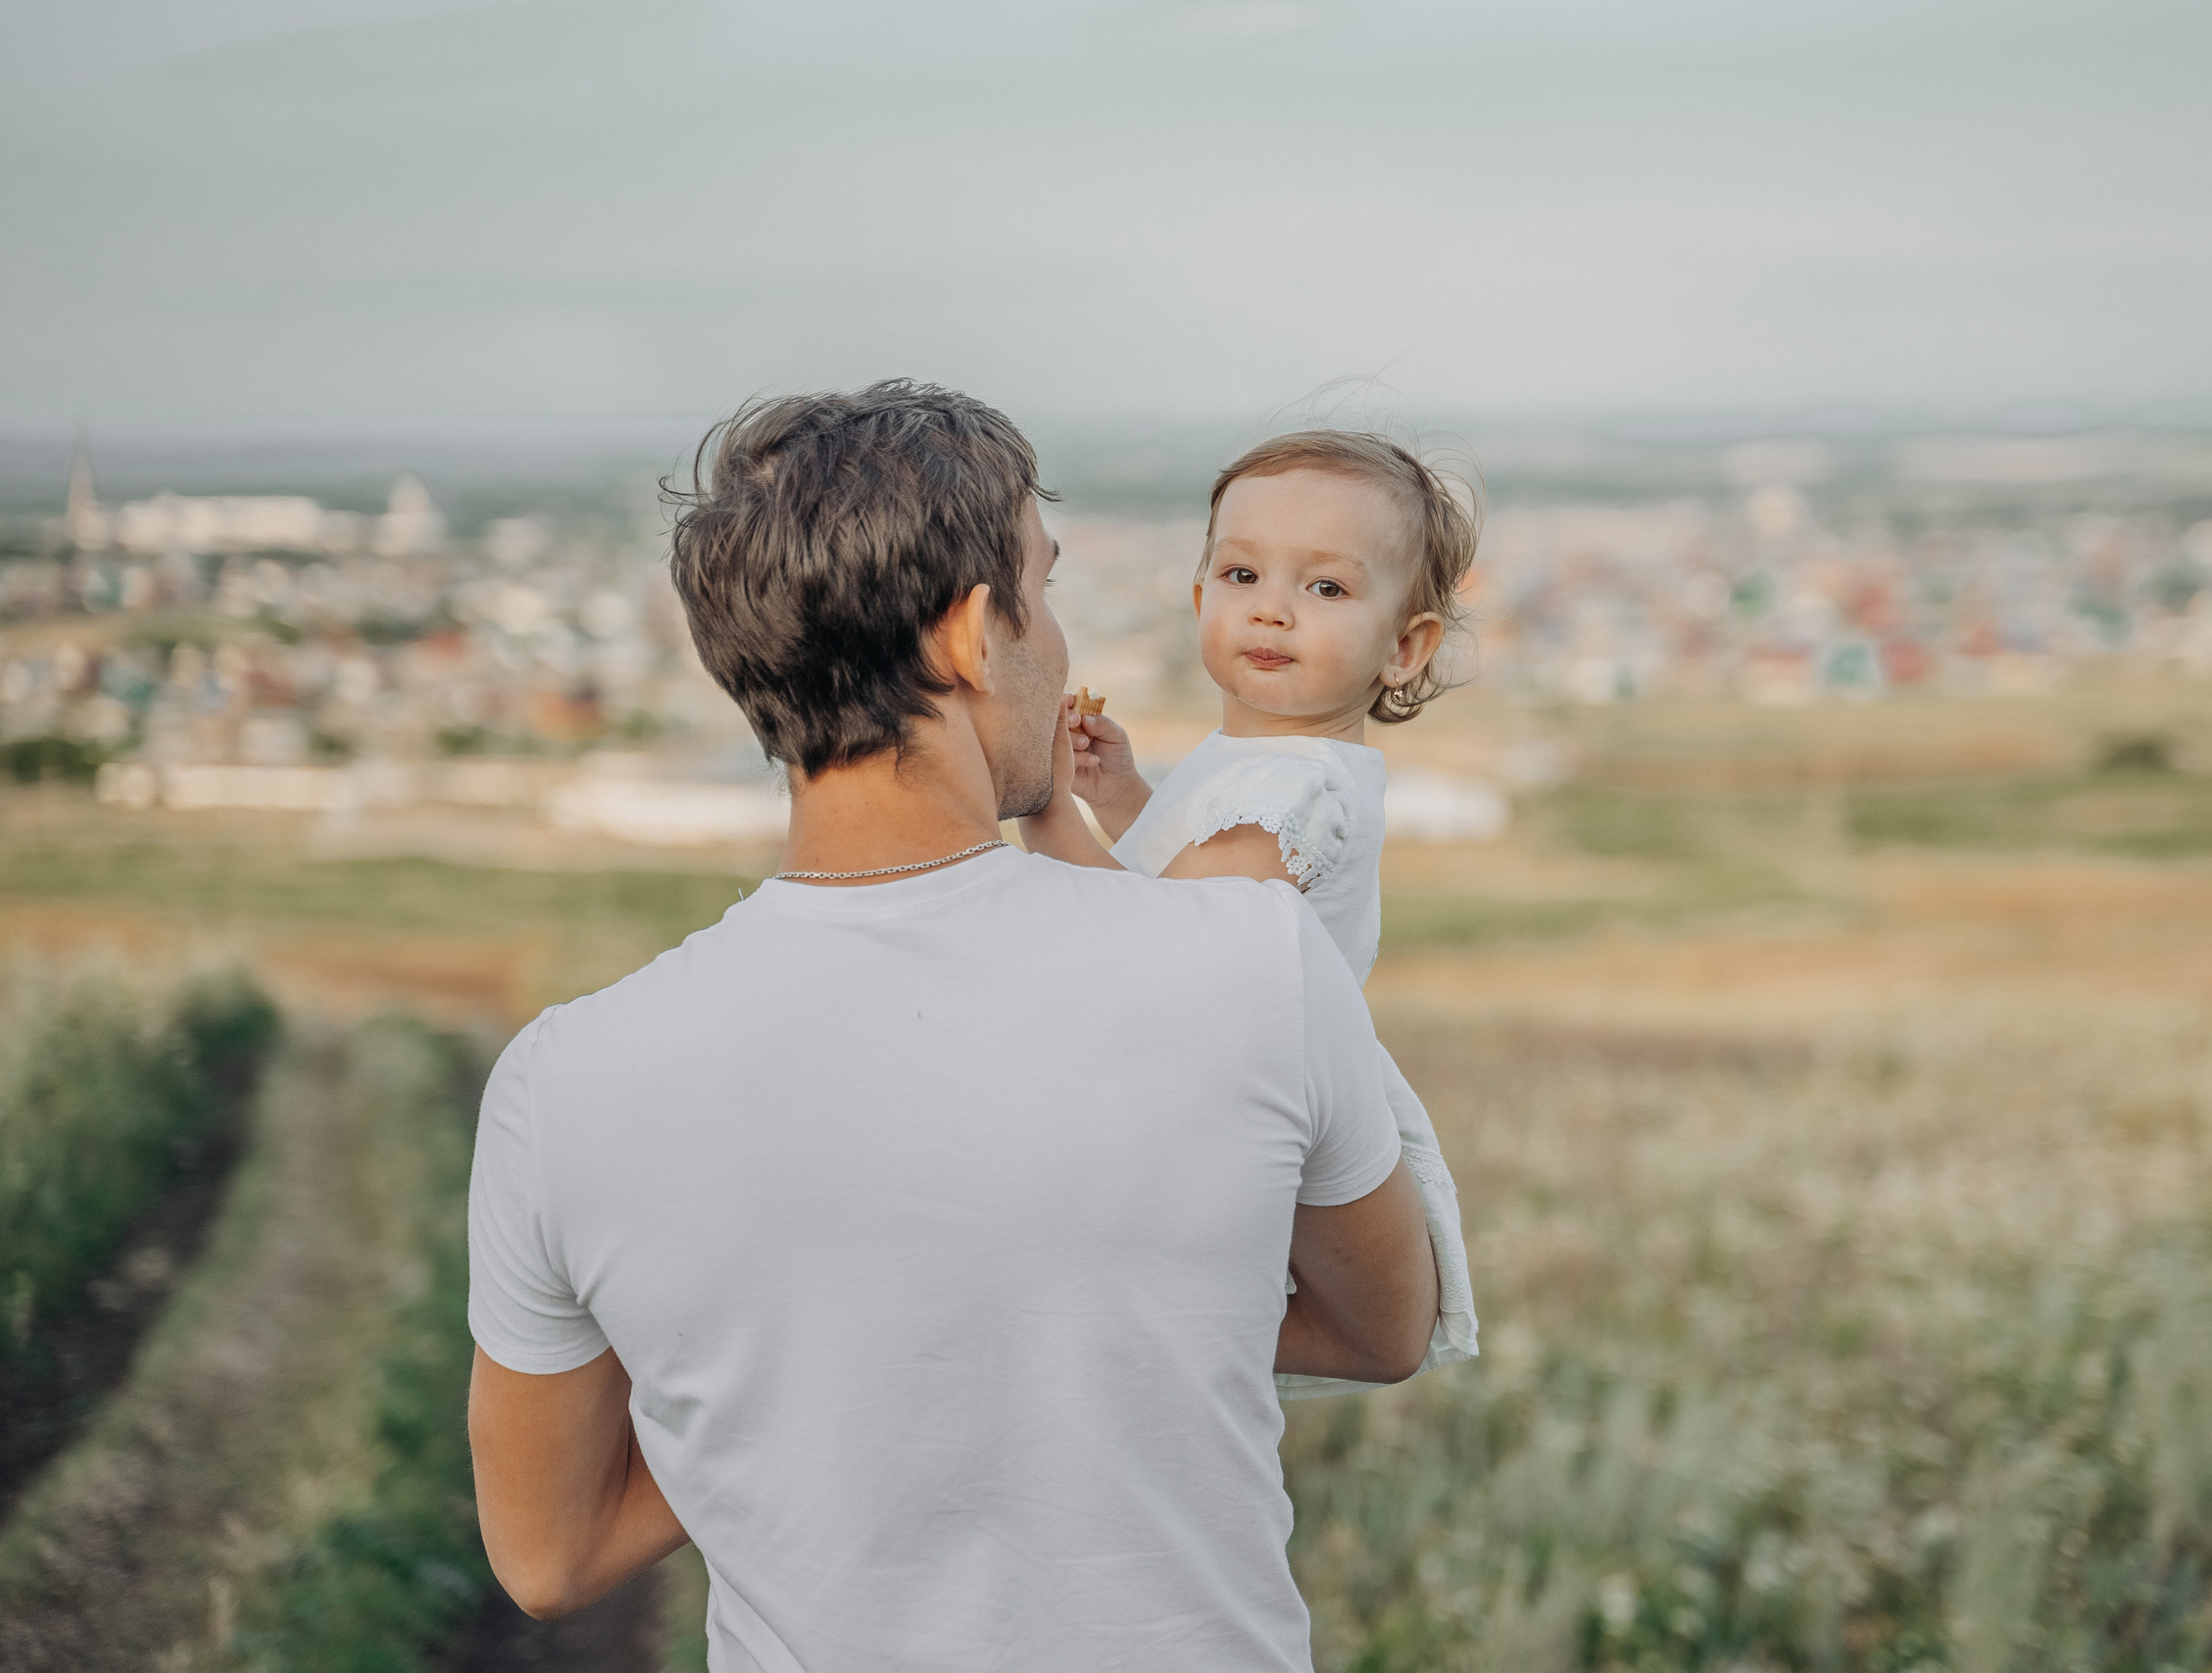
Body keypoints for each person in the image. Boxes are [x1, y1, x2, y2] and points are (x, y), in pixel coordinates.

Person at [464, 382, 1438, 1673]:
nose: (1060, 638)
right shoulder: (1254, 959)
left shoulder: (563, 1083)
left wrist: (811, 1378)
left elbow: (549, 1554)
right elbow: (1387, 1327)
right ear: (977, 635)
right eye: (1045, 583)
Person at [1016, 430, 1480, 1397]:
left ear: (1404, 647)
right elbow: (1191, 874)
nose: (1271, 607)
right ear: (1201, 600)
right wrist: (1125, 798)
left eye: (1326, 587)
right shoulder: (1265, 766)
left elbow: (1152, 950)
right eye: (1241, 574)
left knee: (1164, 1303)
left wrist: (1046, 806)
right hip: (1221, 1065)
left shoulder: (1296, 792)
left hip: (1236, 1094)